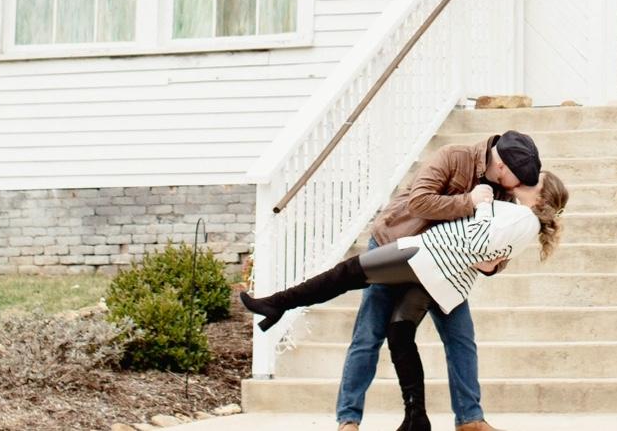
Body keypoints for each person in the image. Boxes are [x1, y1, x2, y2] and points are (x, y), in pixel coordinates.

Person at [241, 171, 569, 431]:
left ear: (540, 195)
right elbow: (487, 261)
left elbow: (479, 242)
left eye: (536, 179)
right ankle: (416, 417)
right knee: (400, 332)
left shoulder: (520, 217)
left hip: (423, 255)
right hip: (440, 274)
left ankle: (278, 303)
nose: (529, 176)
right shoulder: (526, 226)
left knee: (348, 273)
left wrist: (481, 204)